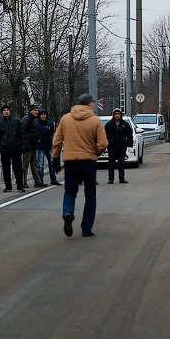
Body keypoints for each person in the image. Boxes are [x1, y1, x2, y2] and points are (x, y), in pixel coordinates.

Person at [52, 93, 108, 238]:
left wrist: (56, 158)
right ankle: (86, 228)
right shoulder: (95, 121)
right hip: (89, 161)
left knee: (70, 192)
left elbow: (57, 141)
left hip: (70, 162)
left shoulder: (65, 119)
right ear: (89, 104)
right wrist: (96, 152)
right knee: (90, 195)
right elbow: (103, 144)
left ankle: (68, 213)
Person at [0, 104, 24, 192]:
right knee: (6, 169)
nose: (6, 112)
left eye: (7, 110)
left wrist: (21, 145)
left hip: (16, 148)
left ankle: (20, 186)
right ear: (2, 112)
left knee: (18, 168)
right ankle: (8, 186)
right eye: (4, 110)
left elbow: (21, 134)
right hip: (5, 149)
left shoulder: (16, 122)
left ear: (10, 111)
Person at [104, 108, 134, 184]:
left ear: (121, 115)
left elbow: (129, 135)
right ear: (113, 115)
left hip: (122, 146)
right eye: (115, 114)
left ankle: (122, 178)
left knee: (121, 163)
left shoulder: (125, 124)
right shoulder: (108, 125)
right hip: (112, 147)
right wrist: (105, 145)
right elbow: (105, 136)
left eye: (118, 114)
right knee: (111, 163)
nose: (117, 115)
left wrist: (129, 145)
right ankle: (111, 179)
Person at [20, 104, 45, 188]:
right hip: (27, 145)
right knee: (25, 164)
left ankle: (37, 181)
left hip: (32, 145)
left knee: (34, 164)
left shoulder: (33, 119)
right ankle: (23, 182)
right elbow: (21, 131)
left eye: (37, 110)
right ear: (30, 111)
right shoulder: (27, 119)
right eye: (35, 110)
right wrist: (25, 141)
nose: (37, 112)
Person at [35, 109, 61, 186]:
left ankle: (53, 179)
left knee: (52, 163)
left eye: (44, 114)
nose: (43, 116)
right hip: (40, 147)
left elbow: (52, 133)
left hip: (49, 146)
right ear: (39, 116)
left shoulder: (50, 123)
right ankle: (40, 181)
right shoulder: (36, 124)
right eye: (41, 115)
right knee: (40, 164)